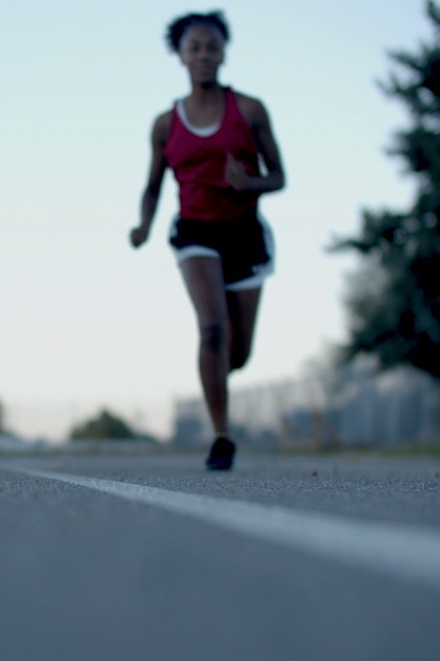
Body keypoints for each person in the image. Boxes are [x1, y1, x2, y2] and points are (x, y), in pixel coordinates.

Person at [129, 12, 285, 471]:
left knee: (237, 353)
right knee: (212, 328)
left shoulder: (250, 110)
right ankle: (222, 436)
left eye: (211, 47)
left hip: (245, 235)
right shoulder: (164, 124)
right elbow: (153, 185)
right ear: (180, 55)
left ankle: (218, 372)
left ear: (223, 53)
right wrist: (143, 225)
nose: (203, 55)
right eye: (193, 47)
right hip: (195, 231)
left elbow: (279, 176)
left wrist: (249, 184)